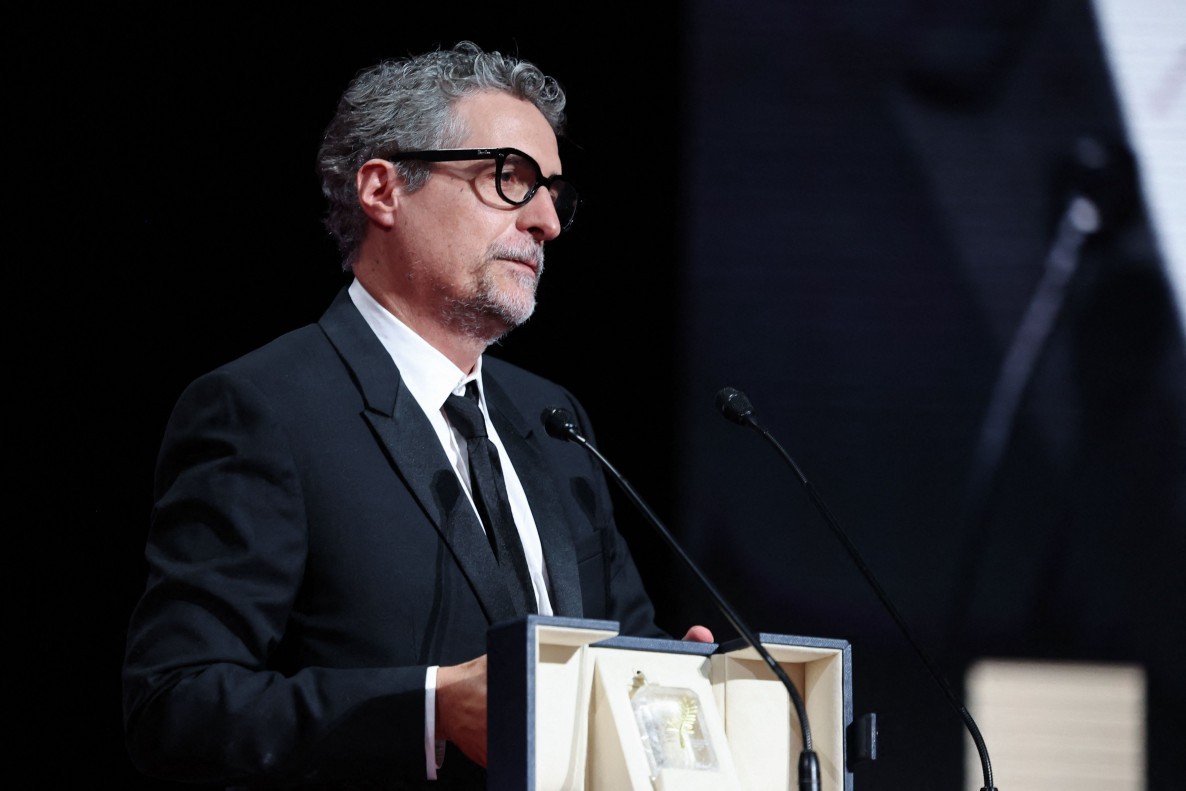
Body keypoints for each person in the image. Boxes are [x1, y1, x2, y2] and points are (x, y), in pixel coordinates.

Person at [122, 41, 711, 789]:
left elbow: (620, 647)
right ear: (383, 189)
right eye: (511, 178)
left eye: (553, 193)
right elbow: (175, 704)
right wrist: (429, 707)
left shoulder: (552, 419)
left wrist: (680, 675)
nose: (546, 223)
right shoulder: (264, 410)